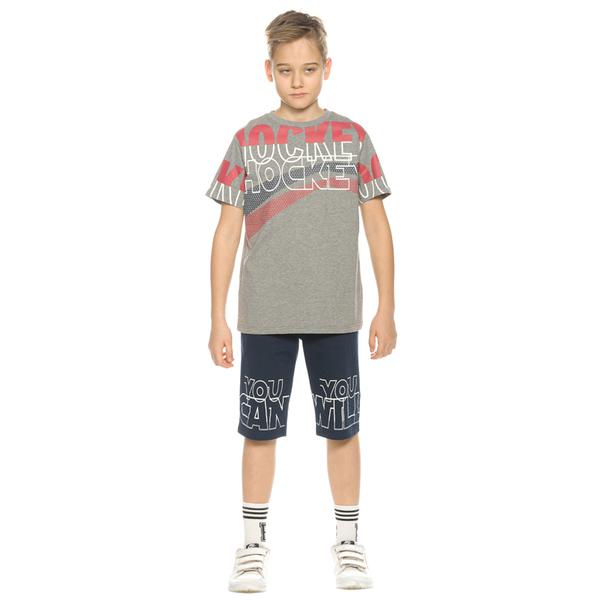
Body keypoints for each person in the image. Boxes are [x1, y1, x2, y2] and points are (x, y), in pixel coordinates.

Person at [205, 10, 396, 592]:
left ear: (327, 69)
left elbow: (378, 226)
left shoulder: (352, 138)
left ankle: (348, 541)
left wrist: (386, 307)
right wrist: (217, 317)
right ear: (269, 70)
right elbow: (227, 232)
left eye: (308, 69)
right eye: (286, 70)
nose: (297, 81)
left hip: (335, 313)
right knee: (259, 430)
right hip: (264, 315)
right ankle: (252, 544)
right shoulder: (247, 140)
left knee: (342, 428)